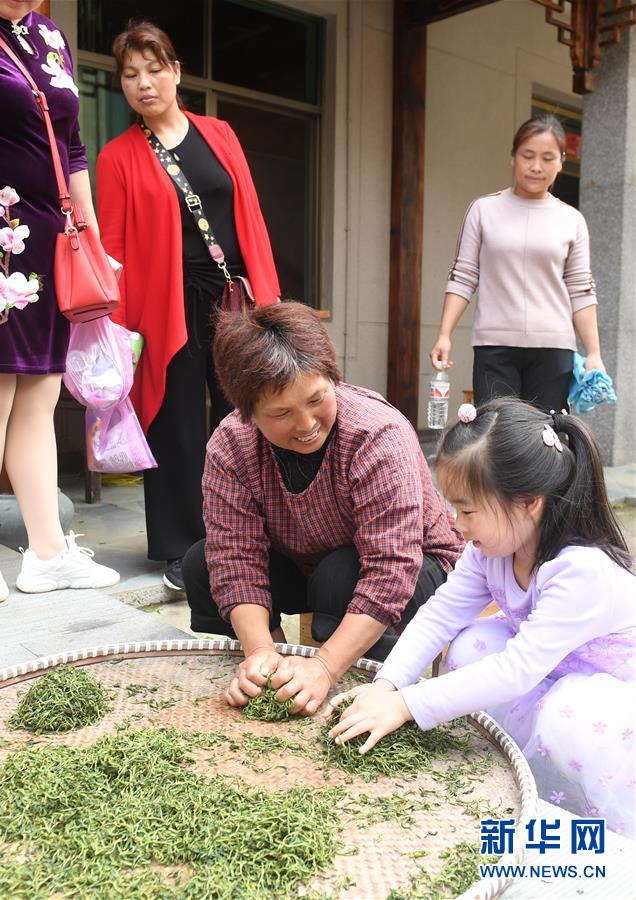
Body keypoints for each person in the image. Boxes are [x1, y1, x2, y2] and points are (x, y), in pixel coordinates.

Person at [328, 399, 635, 836]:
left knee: (565, 719)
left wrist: (406, 705)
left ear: (528, 502)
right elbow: (440, 615)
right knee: (472, 644)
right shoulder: (490, 551)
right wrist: (387, 684)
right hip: (546, 675)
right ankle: (519, 769)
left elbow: (516, 671)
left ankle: (593, 831)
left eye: (467, 510)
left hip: (605, 696)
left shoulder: (580, 570)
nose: (456, 525)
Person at [182, 301, 465, 717]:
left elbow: (391, 569)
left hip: (413, 567)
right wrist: (260, 650)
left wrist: (325, 666)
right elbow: (235, 557)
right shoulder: (232, 445)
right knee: (201, 564)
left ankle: (368, 688)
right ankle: (265, 672)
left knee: (339, 576)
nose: (306, 423)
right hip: (304, 561)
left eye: (317, 399)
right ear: (248, 412)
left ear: (333, 378)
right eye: (280, 413)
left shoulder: (375, 434)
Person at [96, 21, 279, 592]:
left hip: (231, 301)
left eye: (154, 69)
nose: (144, 83)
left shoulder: (219, 133)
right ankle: (182, 548)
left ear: (175, 72)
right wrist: (119, 331)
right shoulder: (118, 156)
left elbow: (249, 215)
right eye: (131, 75)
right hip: (164, 308)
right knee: (174, 427)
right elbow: (116, 250)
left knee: (245, 419)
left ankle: (255, 537)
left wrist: (268, 302)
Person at [0, 0, 119, 604]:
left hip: (50, 239)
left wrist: (94, 238)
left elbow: (72, 148)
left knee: (41, 389)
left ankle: (48, 553)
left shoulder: (48, 34)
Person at [429, 114, 605, 413]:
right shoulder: (483, 210)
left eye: (548, 158)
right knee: (496, 440)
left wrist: (594, 353)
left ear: (561, 161)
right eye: (528, 155)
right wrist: (444, 335)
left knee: (547, 442)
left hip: (553, 350)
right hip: (494, 347)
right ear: (513, 158)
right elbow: (463, 276)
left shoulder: (572, 220)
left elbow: (581, 289)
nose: (536, 166)